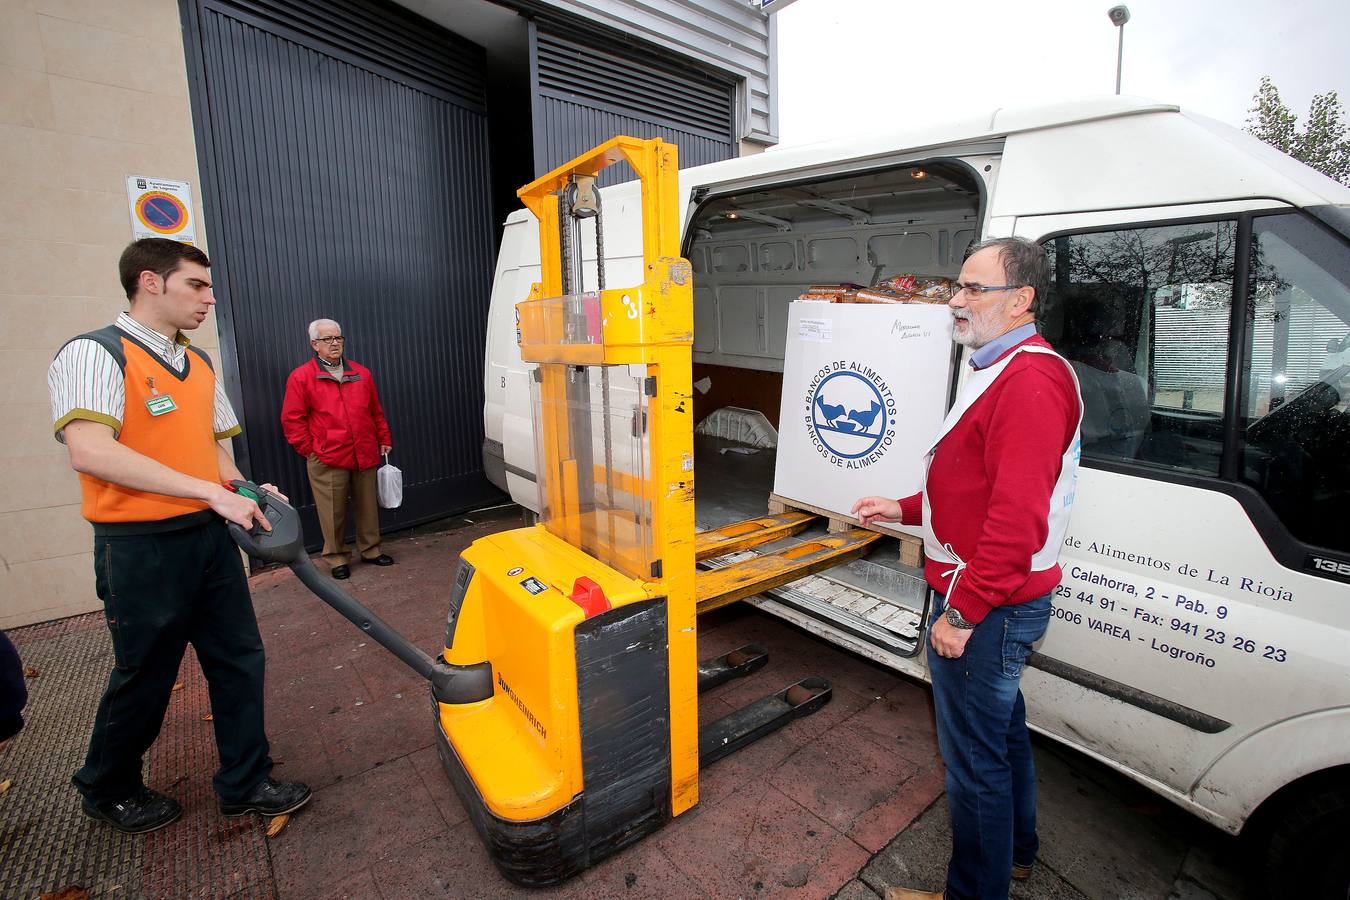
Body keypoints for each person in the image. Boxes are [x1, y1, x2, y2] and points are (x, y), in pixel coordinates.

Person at [47, 238, 310, 833]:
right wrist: (211, 493)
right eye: (196, 285)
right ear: (149, 282)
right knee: (145, 676)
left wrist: (245, 491)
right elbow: (89, 451)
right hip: (140, 549)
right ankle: (106, 785)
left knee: (240, 660)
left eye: (210, 288)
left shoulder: (197, 364)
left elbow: (214, 451)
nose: (209, 299)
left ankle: (245, 782)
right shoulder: (95, 353)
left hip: (207, 540)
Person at [852, 237, 1083, 900]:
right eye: (958, 285)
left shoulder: (1030, 382)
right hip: (987, 601)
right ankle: (1015, 856)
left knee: (973, 764)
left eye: (972, 288)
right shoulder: (1001, 366)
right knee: (1002, 739)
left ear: (1021, 299)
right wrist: (900, 508)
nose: (955, 299)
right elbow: (976, 488)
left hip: (986, 606)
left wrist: (963, 613)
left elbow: (1014, 525)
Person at [280, 319, 394, 580]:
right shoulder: (301, 377)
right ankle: (336, 557)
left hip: (363, 450)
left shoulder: (362, 373)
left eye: (338, 338)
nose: (334, 343)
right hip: (327, 456)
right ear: (314, 345)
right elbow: (292, 419)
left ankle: (371, 549)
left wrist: (383, 437)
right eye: (327, 339)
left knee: (367, 505)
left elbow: (375, 410)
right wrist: (310, 449)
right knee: (332, 510)